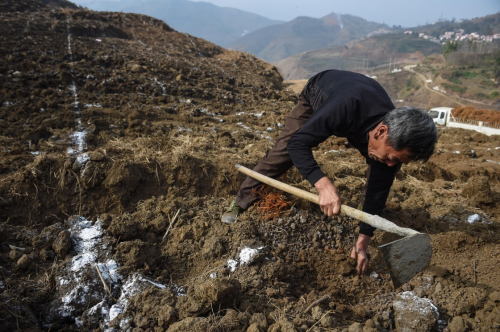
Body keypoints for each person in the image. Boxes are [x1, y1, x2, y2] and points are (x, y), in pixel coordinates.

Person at [221, 69, 437, 275]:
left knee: (378, 180)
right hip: (322, 90)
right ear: (381, 132)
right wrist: (322, 184)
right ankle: (239, 204)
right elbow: (297, 144)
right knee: (283, 152)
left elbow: (378, 191)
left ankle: (364, 217)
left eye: (398, 161)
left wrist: (363, 242)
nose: (392, 165)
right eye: (392, 157)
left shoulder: (392, 143)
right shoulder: (344, 106)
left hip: (360, 108)